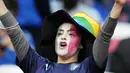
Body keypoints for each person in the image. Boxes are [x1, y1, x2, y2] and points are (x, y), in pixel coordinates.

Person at [0, 0, 126, 73]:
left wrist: (117, 6)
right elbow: (14, 31)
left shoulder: (88, 68)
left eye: (70, 34)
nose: (63, 37)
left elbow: (104, 38)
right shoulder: (37, 65)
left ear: (82, 44)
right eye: (60, 33)